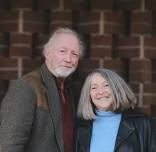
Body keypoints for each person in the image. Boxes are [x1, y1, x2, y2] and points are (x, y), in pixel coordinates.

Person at [0, 27, 84, 152]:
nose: (68, 59)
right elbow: (9, 144)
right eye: (62, 51)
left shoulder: (71, 91)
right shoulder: (25, 86)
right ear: (47, 53)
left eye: (74, 54)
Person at [76, 68, 156, 152]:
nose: (100, 91)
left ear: (117, 89)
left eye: (106, 85)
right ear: (88, 95)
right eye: (94, 88)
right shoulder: (81, 127)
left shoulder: (142, 123)